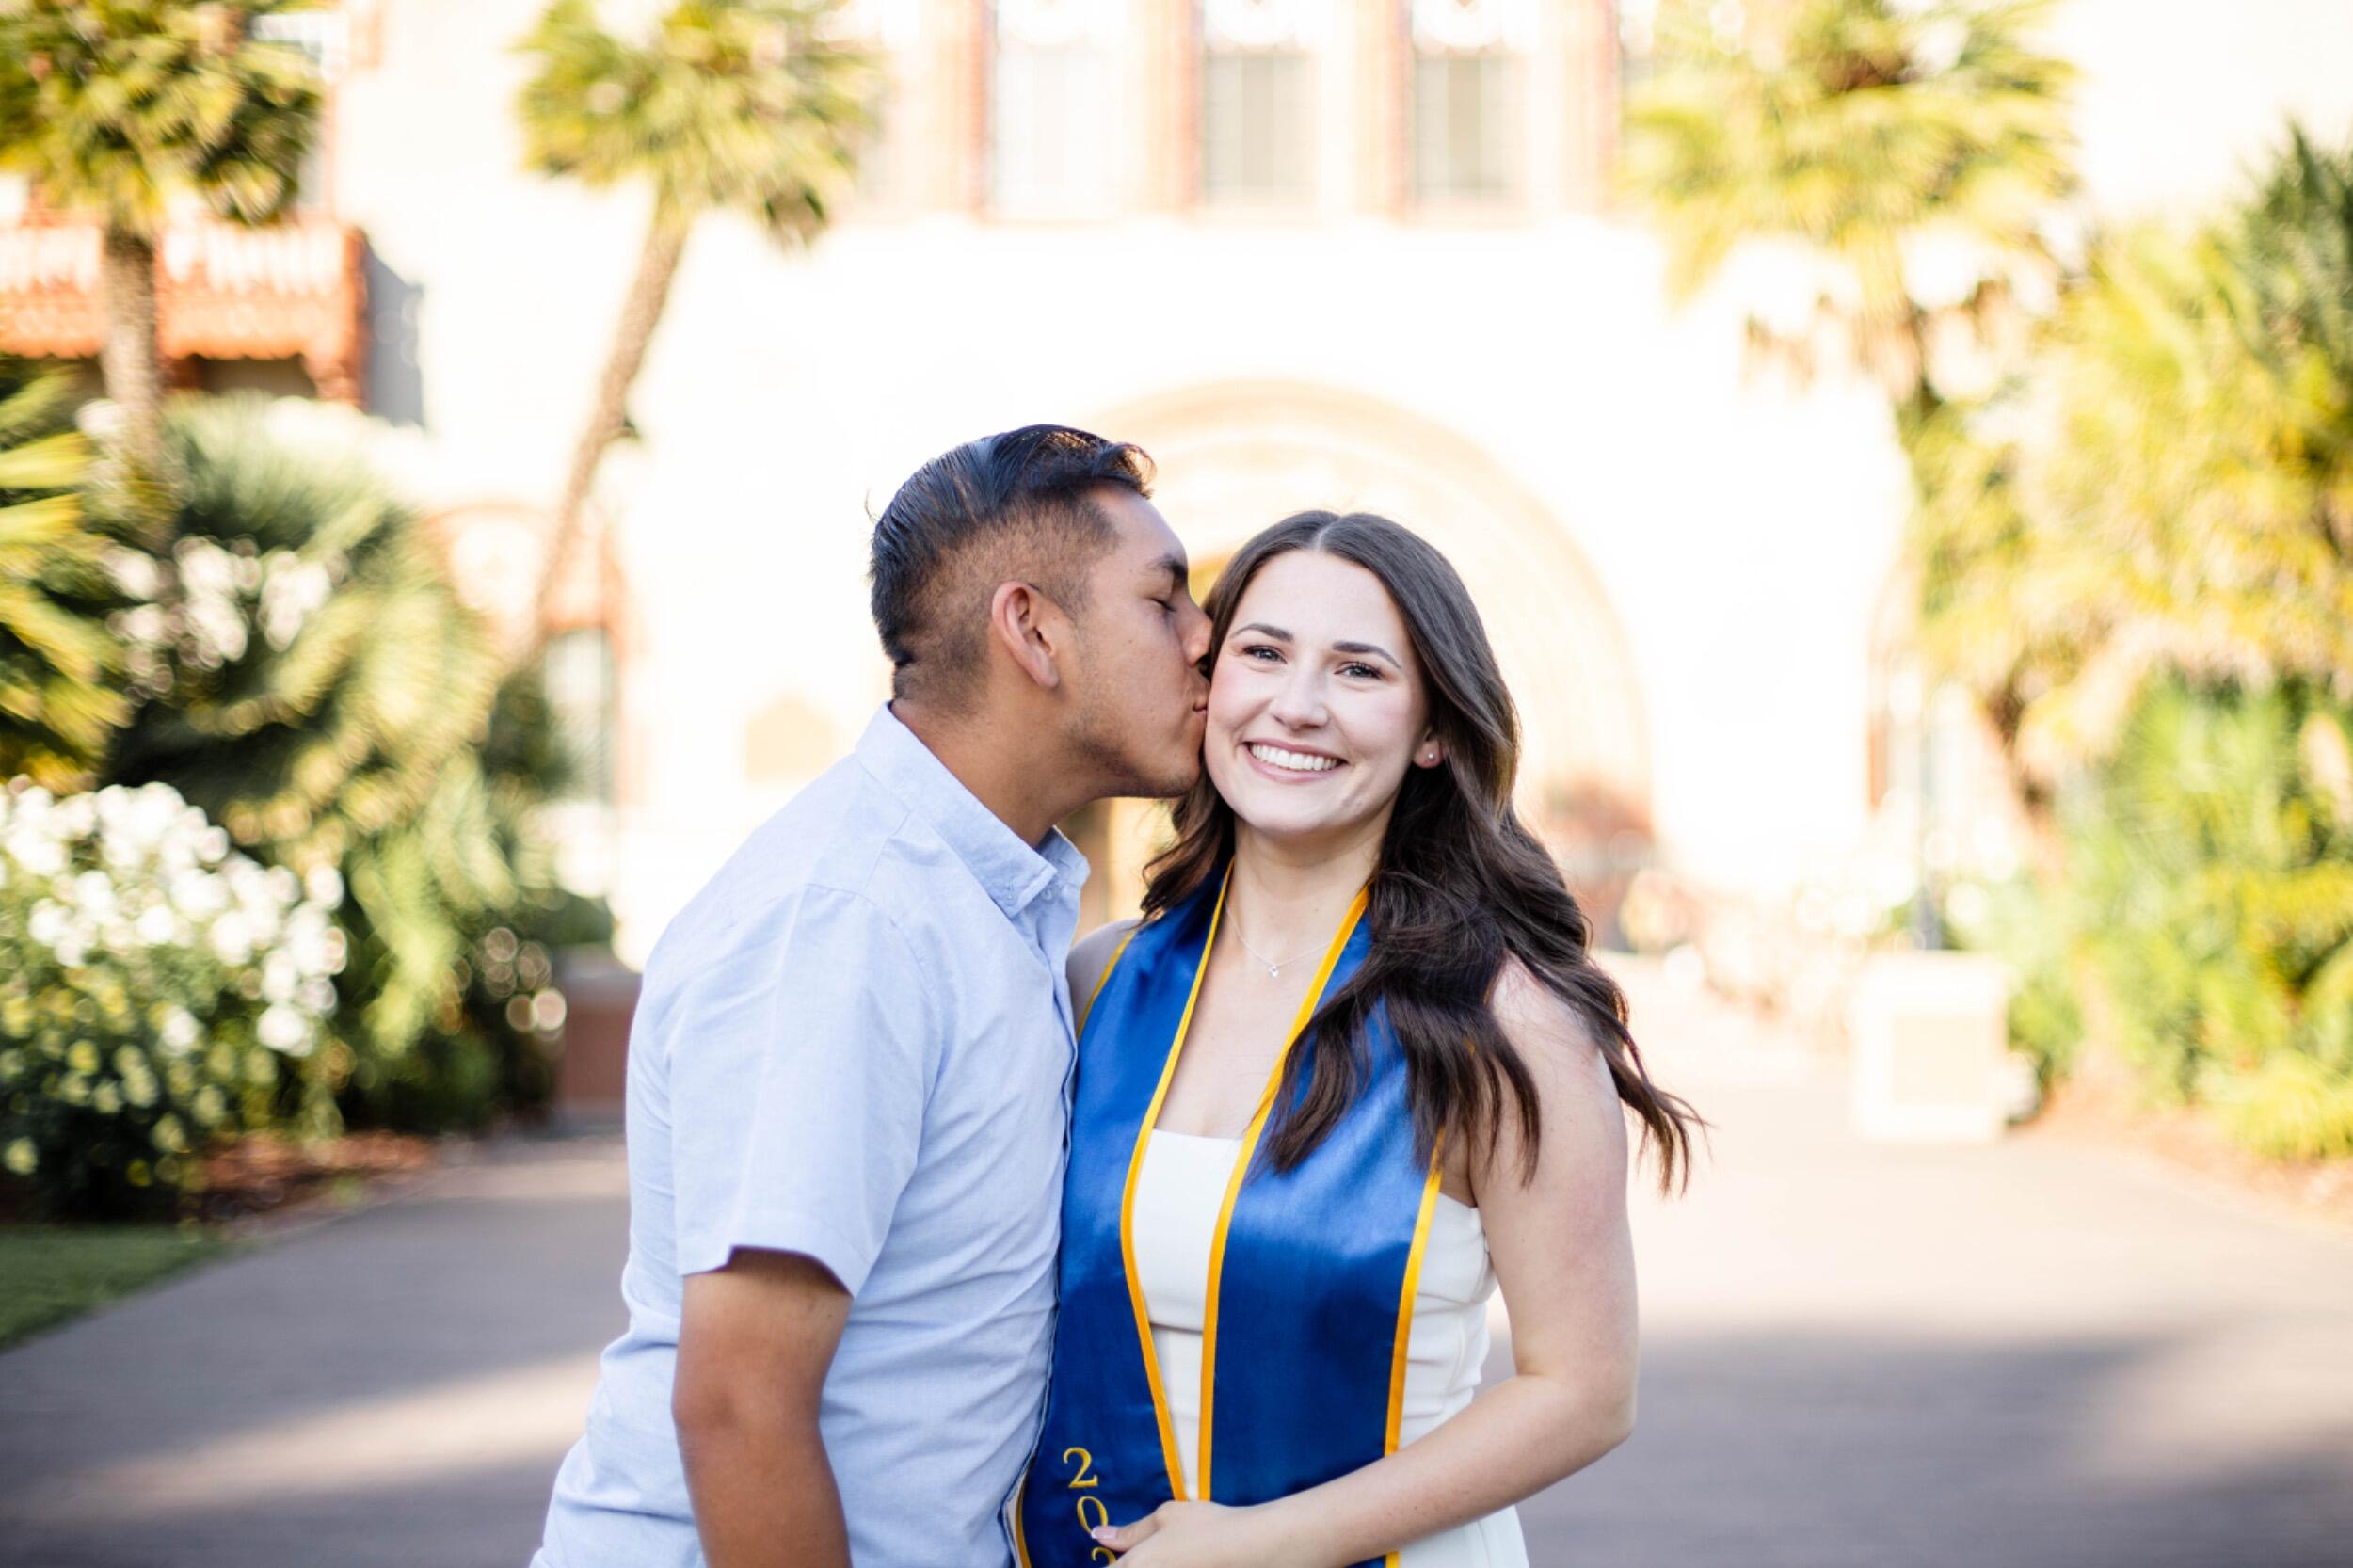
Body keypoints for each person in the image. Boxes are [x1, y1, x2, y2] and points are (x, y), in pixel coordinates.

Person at [533, 425, 1212, 1568]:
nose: (1206, 639)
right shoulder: (851, 921)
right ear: (1032, 630)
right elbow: (739, 1403)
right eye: (1164, 600)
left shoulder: (980, 898)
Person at [1013, 512, 1703, 1568]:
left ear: (1432, 730)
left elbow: (1583, 1391)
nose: (1298, 704)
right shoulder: (1101, 981)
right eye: (1263, 652)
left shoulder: (1503, 1027)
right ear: (1209, 684)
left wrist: (1261, 1548)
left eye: (1359, 670)